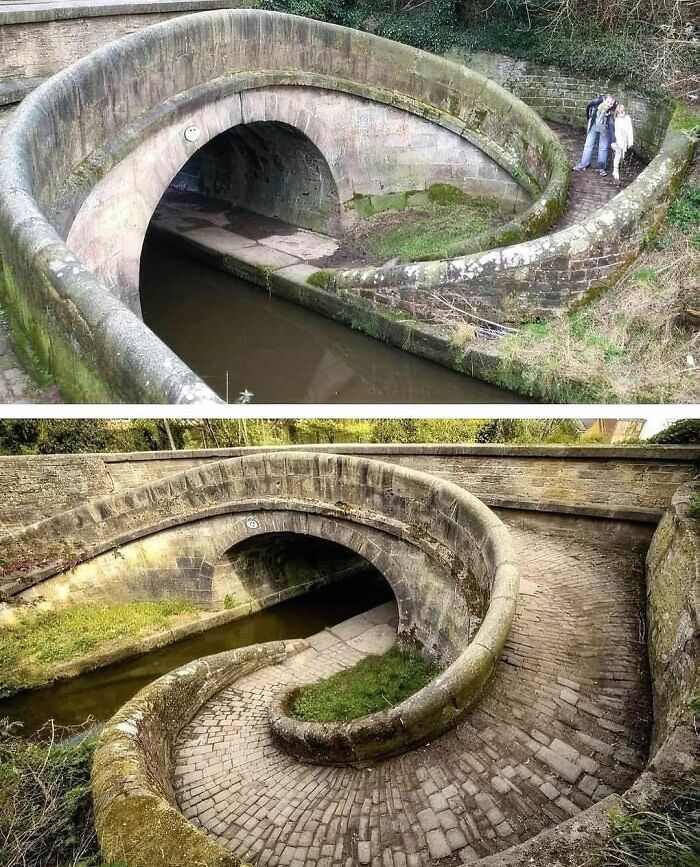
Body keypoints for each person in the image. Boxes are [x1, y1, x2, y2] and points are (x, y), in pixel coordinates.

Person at [573, 94, 617, 176]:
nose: (609, 105)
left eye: (611, 104)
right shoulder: (596, 104)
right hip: (594, 126)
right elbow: (588, 107)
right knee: (588, 145)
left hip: (605, 130)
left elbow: (611, 126)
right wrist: (589, 119)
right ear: (604, 100)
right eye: (607, 102)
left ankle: (601, 167)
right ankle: (583, 164)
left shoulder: (612, 112)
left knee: (603, 148)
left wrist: (613, 141)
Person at [611, 104, 634, 183]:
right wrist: (620, 144)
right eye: (619, 113)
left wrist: (630, 141)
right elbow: (617, 133)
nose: (621, 114)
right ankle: (615, 171)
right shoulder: (617, 121)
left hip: (625, 140)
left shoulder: (628, 119)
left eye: (622, 112)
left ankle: (620, 164)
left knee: (622, 155)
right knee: (618, 155)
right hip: (618, 141)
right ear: (616, 114)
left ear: (625, 112)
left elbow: (630, 130)